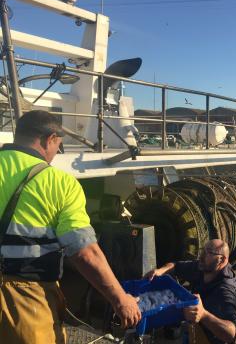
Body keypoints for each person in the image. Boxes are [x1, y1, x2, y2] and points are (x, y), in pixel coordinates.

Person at [0, 110, 141, 343]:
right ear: (50, 139)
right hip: (24, 299)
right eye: (59, 146)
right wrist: (120, 300)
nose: (57, 152)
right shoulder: (60, 183)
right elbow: (85, 253)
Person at [146, 239, 236, 344]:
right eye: (202, 250)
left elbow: (235, 335)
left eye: (208, 252)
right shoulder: (202, 267)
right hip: (195, 330)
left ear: (222, 260)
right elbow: (175, 266)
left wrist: (204, 315)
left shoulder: (225, 291)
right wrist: (159, 271)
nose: (201, 256)